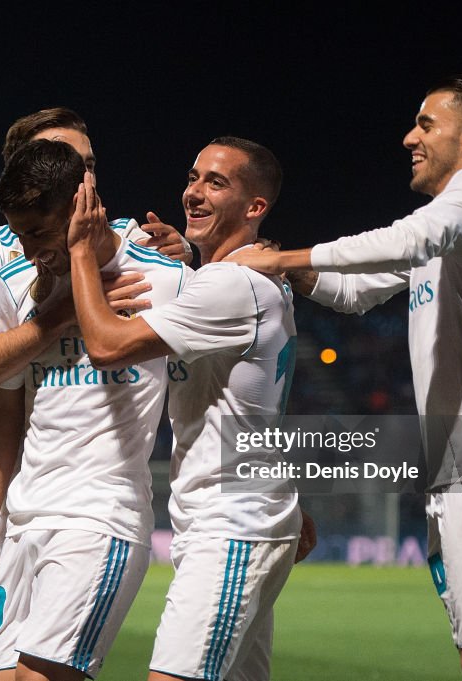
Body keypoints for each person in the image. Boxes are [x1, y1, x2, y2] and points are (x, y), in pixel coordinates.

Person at [227, 73, 462, 681]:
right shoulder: (458, 224)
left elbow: (407, 237)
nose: (410, 137)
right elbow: (352, 291)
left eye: (426, 124)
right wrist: (289, 270)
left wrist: (283, 258)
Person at [0, 107, 190, 681]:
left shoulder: (167, 274)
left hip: (98, 514)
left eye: (88, 164)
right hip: (21, 514)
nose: (28, 247)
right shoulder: (2, 272)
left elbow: (221, 391)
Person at [68, 136, 312, 681]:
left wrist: (82, 253)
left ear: (255, 209)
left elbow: (106, 347)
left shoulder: (233, 285)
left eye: (215, 183)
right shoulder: (229, 281)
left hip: (233, 526)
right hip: (239, 517)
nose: (193, 193)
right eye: (193, 177)